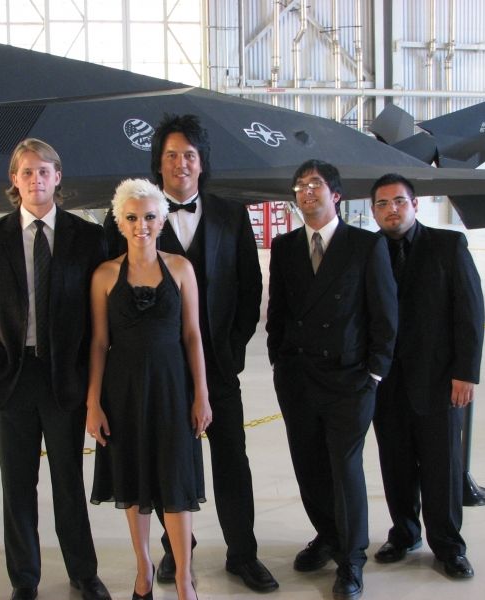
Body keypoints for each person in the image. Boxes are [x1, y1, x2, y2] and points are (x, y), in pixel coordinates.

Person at [103, 114, 278, 593]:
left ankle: (244, 554)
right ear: (157, 164)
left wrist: (231, 348)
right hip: (154, 370)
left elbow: (250, 286)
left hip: (216, 365)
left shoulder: (230, 215)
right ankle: (177, 551)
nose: (180, 163)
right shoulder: (134, 217)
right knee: (161, 463)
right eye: (171, 155)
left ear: (202, 164)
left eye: (189, 155)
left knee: (232, 459)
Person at [0, 138, 111, 600]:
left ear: (58, 176)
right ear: (14, 179)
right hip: (11, 380)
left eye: (44, 171)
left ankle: (83, 573)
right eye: (26, 172)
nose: (35, 180)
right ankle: (24, 579)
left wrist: (91, 383)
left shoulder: (86, 238)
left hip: (64, 379)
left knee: (69, 482)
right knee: (17, 486)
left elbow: (99, 319)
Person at [266, 159, 397, 599]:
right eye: (300, 185)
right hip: (299, 378)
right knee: (309, 466)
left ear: (335, 195)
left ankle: (352, 559)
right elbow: (278, 312)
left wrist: (373, 372)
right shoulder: (285, 246)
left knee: (345, 469)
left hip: (349, 379)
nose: (306, 191)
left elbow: (384, 314)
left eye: (315, 184)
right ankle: (327, 535)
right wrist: (280, 363)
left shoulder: (365, 245)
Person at [87, 178, 211, 600]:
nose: (141, 225)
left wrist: (201, 394)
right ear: (120, 222)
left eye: (149, 217)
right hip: (123, 392)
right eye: (132, 217)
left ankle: (184, 579)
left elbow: (192, 335)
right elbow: (99, 342)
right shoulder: (105, 275)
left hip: (172, 388)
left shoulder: (181, 268)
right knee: (134, 480)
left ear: (161, 221)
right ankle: (143, 570)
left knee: (175, 482)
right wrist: (93, 402)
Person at [369, 173, 484, 579]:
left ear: (414, 205)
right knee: (395, 463)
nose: (392, 210)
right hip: (386, 384)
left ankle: (449, 546)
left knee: (442, 467)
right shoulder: (368, 250)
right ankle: (404, 533)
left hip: (439, 382)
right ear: (373, 211)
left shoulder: (448, 246)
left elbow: (470, 312)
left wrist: (466, 372)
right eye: (382, 204)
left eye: (399, 201)